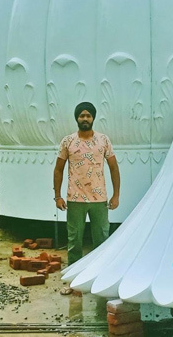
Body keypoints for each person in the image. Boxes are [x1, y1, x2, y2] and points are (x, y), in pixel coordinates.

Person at [53, 101, 120, 293]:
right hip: (75, 199)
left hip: (99, 200)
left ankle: (101, 280)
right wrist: (57, 196)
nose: (85, 119)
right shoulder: (68, 142)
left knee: (102, 240)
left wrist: (116, 195)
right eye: (81, 116)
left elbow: (114, 167)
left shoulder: (103, 140)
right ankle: (74, 282)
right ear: (76, 118)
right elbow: (58, 169)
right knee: (75, 241)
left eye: (88, 115)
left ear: (93, 118)